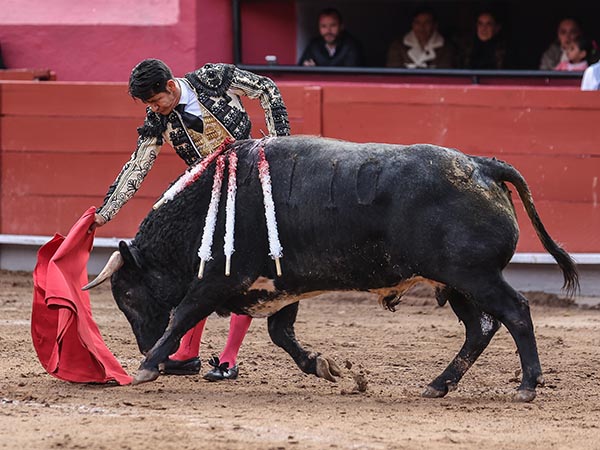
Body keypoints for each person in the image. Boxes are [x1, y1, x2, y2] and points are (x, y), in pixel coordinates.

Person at [90, 58, 290, 381]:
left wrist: (279, 149)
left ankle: (228, 358)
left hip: (252, 182)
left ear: (170, 86)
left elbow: (267, 89)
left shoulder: (213, 78)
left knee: (247, 268)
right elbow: (138, 165)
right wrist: (105, 212)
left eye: (155, 101)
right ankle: (187, 352)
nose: (153, 109)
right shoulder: (157, 118)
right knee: (199, 266)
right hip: (209, 194)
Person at [386, 6, 455, 69]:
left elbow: (444, 74)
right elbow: (394, 74)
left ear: (435, 25)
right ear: (412, 25)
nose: (422, 27)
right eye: (417, 23)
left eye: (427, 23)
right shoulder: (398, 46)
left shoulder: (446, 48)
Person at [298, 8, 364, 66]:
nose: (328, 31)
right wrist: (306, 66)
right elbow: (301, 68)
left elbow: (351, 74)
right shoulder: (314, 45)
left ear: (341, 26)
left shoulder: (352, 45)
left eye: (333, 25)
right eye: (323, 26)